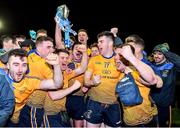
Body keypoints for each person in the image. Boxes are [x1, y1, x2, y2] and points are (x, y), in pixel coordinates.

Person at [0, 49, 62, 126]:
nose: (20, 69)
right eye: (16, 64)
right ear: (8, 65)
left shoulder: (30, 82)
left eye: (24, 65)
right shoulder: (2, 79)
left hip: (14, 121)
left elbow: (57, 84)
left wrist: (56, 65)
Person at [114, 44, 162, 127]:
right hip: (128, 121)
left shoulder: (137, 70)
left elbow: (154, 81)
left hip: (147, 120)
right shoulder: (116, 73)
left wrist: (131, 58)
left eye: (121, 55)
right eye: (115, 55)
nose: (116, 58)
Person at [18, 36, 59, 127]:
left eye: (52, 47)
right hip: (33, 105)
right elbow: (57, 83)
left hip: (32, 104)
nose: (52, 50)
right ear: (39, 47)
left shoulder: (33, 56)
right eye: (48, 47)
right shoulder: (37, 61)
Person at [84, 31, 122, 127]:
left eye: (101, 41)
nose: (98, 44)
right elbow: (85, 82)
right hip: (94, 103)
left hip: (113, 105)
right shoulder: (94, 60)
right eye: (98, 42)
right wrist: (92, 82)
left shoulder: (120, 60)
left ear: (110, 43)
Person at [150, 43, 180, 127]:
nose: (156, 56)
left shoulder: (171, 67)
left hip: (164, 106)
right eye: (155, 53)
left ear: (165, 55)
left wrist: (166, 52)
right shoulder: (150, 66)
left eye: (160, 54)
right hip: (150, 105)